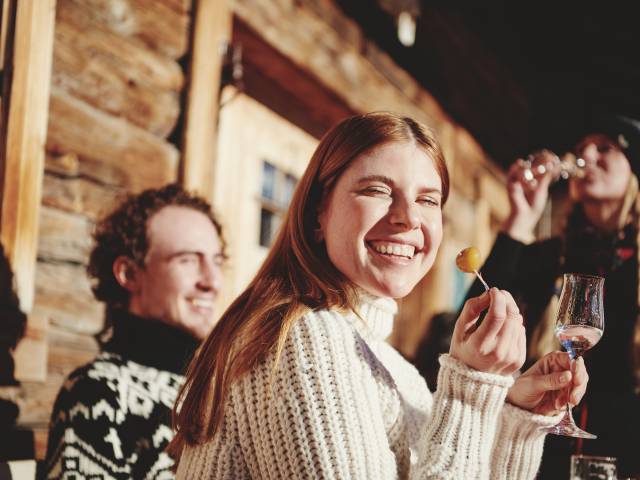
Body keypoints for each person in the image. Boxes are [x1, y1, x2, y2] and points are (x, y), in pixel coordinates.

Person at [169, 112, 588, 479]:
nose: (407, 217)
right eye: (377, 190)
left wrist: (517, 417)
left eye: (427, 199)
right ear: (319, 213)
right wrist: (467, 390)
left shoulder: (389, 365)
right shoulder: (303, 339)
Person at [463, 113, 640, 477]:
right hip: (543, 456)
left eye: (604, 148)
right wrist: (520, 219)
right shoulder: (550, 256)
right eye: (580, 149)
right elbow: (478, 323)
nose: (586, 155)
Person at [43, 183, 226, 479]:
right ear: (129, 274)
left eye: (217, 261)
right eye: (188, 260)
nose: (212, 281)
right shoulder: (99, 392)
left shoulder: (216, 386)